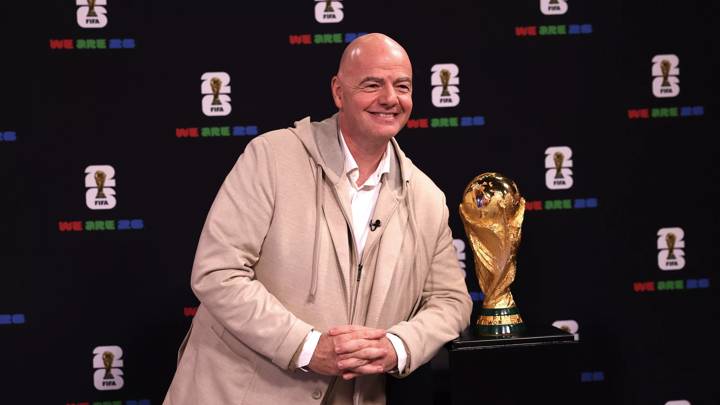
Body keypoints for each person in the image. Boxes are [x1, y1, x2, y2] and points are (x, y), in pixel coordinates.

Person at [163, 33, 472, 405]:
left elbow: (451, 300)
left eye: (402, 86)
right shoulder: (271, 158)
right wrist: (307, 348)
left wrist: (398, 346)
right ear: (339, 92)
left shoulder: (427, 198)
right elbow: (217, 272)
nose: (390, 98)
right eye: (372, 84)